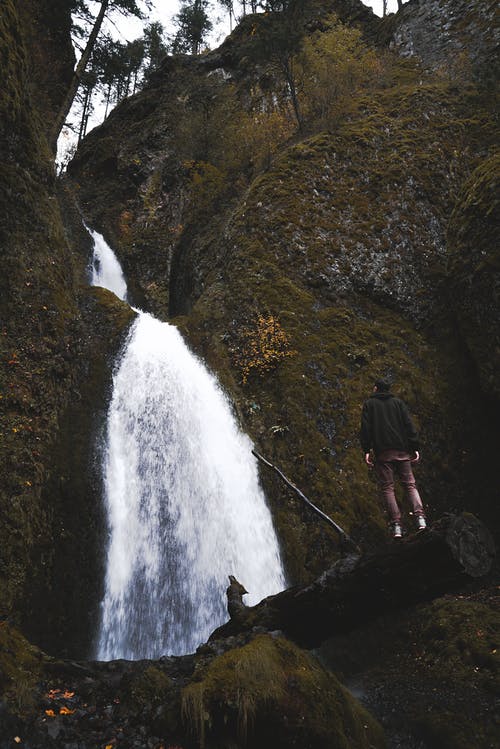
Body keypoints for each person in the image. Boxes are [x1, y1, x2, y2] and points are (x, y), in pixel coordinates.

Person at [360, 378, 426, 538]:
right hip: (402, 450)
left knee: (388, 488)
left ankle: (396, 525)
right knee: (410, 485)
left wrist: (367, 449)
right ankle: (421, 519)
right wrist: (415, 447)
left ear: (375, 388)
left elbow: (366, 429)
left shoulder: (369, 404)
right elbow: (408, 425)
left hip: (383, 452)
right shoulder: (398, 403)